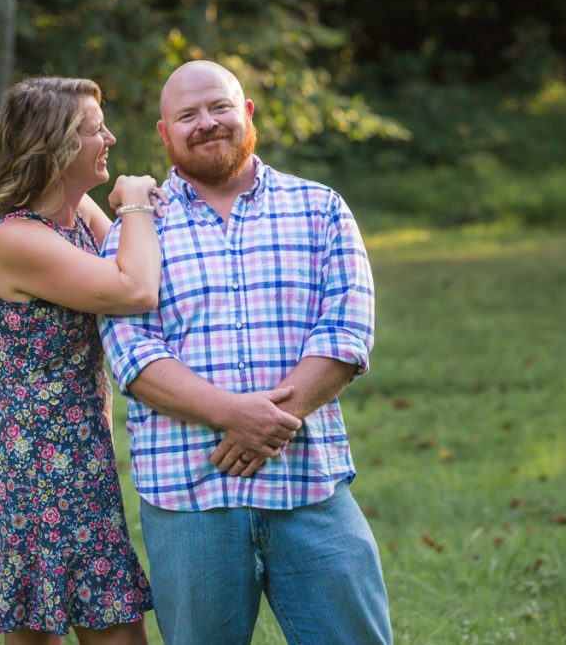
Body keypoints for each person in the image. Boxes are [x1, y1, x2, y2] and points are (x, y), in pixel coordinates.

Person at [99, 61, 392, 644]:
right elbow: (133, 356)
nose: (206, 123)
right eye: (187, 116)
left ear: (247, 113)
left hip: (308, 485)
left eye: (219, 108)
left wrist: (268, 422)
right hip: (189, 498)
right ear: (164, 133)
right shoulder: (136, 232)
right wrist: (233, 415)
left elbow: (345, 333)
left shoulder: (321, 208)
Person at [0, 76, 160, 645]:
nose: (111, 139)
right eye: (97, 132)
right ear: (58, 147)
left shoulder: (72, 216)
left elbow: (131, 253)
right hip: (39, 463)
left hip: (75, 452)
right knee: (106, 630)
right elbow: (136, 288)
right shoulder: (18, 238)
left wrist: (128, 211)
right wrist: (136, 198)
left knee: (48, 629)